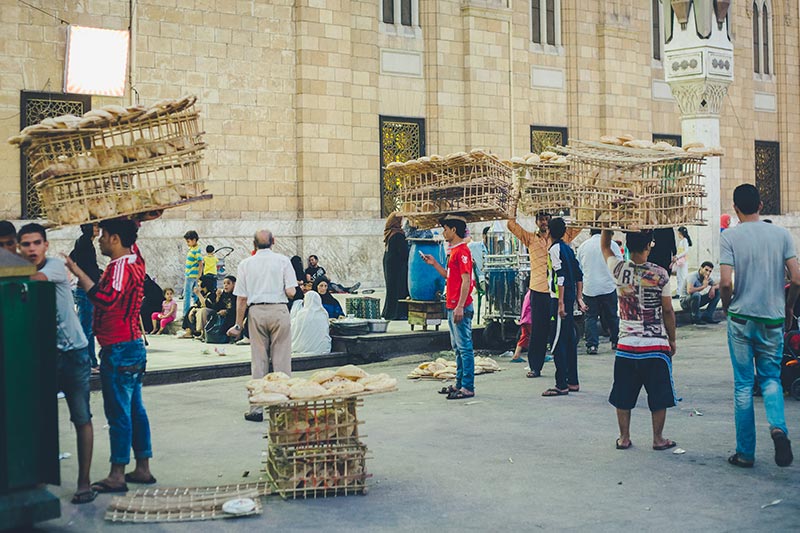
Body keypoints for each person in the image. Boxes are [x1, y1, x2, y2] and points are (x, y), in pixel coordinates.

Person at [65, 218, 155, 493]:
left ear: (115, 239)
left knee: (118, 412)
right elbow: (133, 239)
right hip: (131, 345)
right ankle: (142, 467)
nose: (100, 239)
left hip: (119, 347)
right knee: (134, 409)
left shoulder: (120, 267)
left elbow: (106, 299)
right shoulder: (135, 260)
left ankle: (117, 473)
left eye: (103, 234)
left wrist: (76, 270)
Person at [720, 184, 799, 468]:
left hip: (741, 319)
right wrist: (788, 306)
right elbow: (798, 278)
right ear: (761, 206)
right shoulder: (781, 234)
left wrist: (728, 307)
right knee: (770, 379)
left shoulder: (730, 236)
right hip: (773, 319)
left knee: (743, 385)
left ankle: (745, 453)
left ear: (736, 208)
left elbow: (726, 282)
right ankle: (778, 428)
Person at [18, 223, 95, 504]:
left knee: (81, 416)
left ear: (46, 245)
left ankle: (84, 483)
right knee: (40, 417)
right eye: (25, 245)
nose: (32, 249)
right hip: (47, 354)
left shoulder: (50, 267)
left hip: (74, 352)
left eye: (36, 243)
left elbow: (32, 279)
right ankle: (38, 476)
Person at [600, 229, 678, 452]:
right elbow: (668, 310)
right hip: (655, 345)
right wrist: (672, 339)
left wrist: (607, 225)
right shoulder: (660, 274)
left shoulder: (618, 269)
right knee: (659, 395)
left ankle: (624, 437)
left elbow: (605, 247)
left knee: (623, 395)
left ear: (627, 246)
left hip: (626, 345)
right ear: (648, 246)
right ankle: (658, 438)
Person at [227, 230, 296, 422]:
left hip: (256, 312)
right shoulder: (283, 261)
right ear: (274, 241)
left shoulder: (245, 264)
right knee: (281, 360)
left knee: (259, 361)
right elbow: (290, 292)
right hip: (279, 310)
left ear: (254, 244)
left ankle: (256, 408)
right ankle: (282, 408)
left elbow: (241, 298)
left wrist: (238, 325)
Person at [507, 212, 580, 378]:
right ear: (536, 221)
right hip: (538, 291)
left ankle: (564, 371)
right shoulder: (530, 238)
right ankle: (535, 367)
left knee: (559, 333)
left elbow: (580, 225)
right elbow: (511, 225)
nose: (544, 222)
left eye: (547, 219)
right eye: (541, 219)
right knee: (538, 331)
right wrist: (515, 199)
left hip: (556, 294)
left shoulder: (563, 238)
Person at [421, 215, 475, 400]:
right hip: (453, 305)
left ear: (453, 230)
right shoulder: (454, 252)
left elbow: (466, 280)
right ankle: (460, 383)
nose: (443, 232)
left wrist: (460, 306)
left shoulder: (463, 252)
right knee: (458, 348)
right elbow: (450, 276)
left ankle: (467, 386)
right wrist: (434, 264)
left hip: (460, 307)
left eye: (445, 229)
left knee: (465, 347)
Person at [542, 217, 586, 397]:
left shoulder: (554, 250)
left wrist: (560, 303)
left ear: (550, 232)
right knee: (569, 341)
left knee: (557, 342)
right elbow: (578, 274)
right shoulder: (568, 248)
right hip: (568, 299)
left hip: (558, 300)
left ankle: (561, 384)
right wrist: (579, 298)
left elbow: (560, 277)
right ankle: (573, 381)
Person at [577, 228, 622, 355]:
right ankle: (615, 341)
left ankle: (592, 345)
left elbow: (579, 268)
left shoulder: (583, 246)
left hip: (590, 288)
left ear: (590, 233)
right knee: (612, 315)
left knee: (590, 317)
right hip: (608, 286)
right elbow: (619, 264)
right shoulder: (612, 245)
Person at [69, 223, 101, 371]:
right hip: (86, 291)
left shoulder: (84, 242)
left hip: (85, 290)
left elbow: (72, 257)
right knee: (86, 329)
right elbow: (88, 267)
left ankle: (89, 361)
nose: (98, 229)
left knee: (87, 327)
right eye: (94, 226)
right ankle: (88, 362)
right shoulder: (85, 243)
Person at [382, 212, 409, 320]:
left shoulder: (390, 232)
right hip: (397, 266)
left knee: (391, 289)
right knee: (399, 288)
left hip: (389, 264)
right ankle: (398, 313)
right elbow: (403, 252)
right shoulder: (398, 234)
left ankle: (389, 312)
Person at [291, 290, 332, 355]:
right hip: (323, 348)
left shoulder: (301, 314)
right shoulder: (323, 313)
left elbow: (293, 330)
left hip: (302, 347)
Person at [179, 274, 217, 338]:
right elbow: (197, 304)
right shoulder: (203, 293)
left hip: (209, 312)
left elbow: (206, 305)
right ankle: (189, 331)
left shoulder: (212, 294)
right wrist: (194, 308)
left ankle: (201, 332)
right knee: (191, 309)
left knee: (202, 311)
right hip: (201, 310)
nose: (198, 284)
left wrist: (198, 294)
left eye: (199, 282)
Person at [200, 275, 237, 340]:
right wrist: (218, 297)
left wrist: (227, 311)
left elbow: (236, 308)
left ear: (234, 284)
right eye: (224, 283)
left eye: (228, 283)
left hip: (232, 316)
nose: (225, 285)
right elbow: (216, 308)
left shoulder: (236, 295)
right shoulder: (223, 295)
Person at [182, 230, 202, 318]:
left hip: (191, 276)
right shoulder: (193, 249)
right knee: (194, 295)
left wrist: (199, 276)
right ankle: (194, 313)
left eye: (188, 241)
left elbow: (200, 263)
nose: (187, 243)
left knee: (187, 295)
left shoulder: (196, 250)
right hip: (190, 275)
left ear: (194, 240)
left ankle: (185, 314)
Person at [510, 290, 532, 363]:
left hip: (524, 319)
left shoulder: (528, 294)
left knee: (524, 337)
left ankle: (516, 355)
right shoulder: (534, 294)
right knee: (536, 338)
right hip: (530, 319)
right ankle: (541, 355)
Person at [671, 227, 692, 299]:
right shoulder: (682, 241)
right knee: (679, 277)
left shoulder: (685, 241)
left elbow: (686, 251)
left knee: (683, 277)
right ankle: (678, 292)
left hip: (683, 261)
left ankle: (682, 293)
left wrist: (677, 256)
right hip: (680, 261)